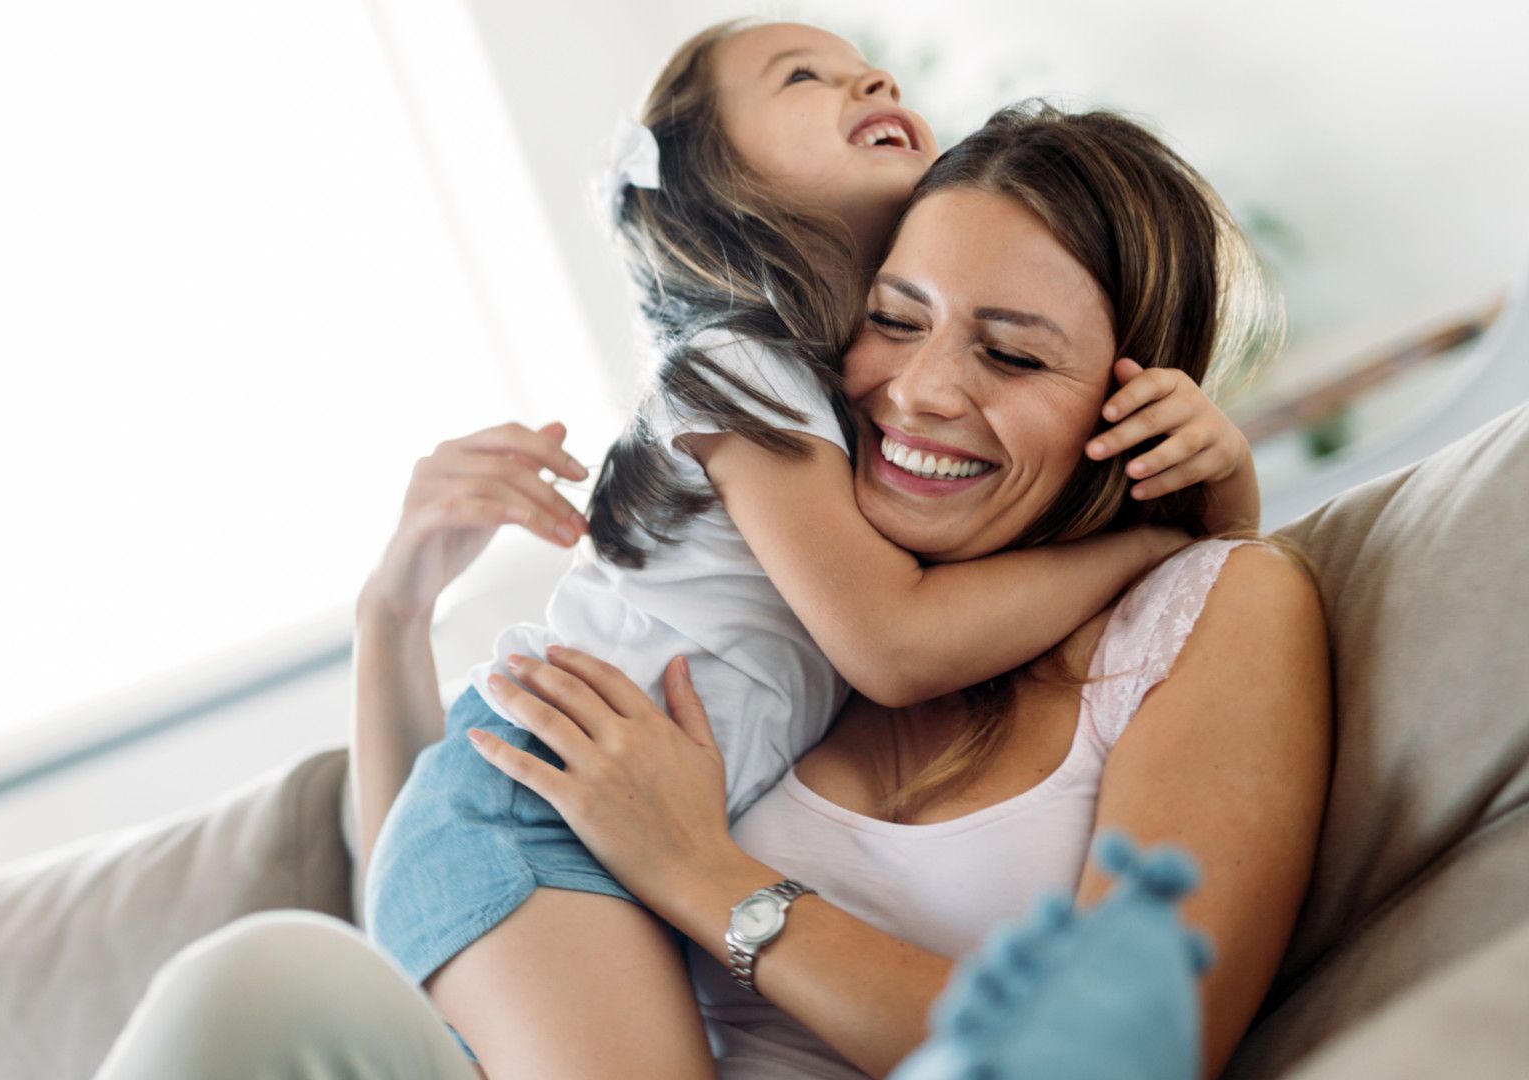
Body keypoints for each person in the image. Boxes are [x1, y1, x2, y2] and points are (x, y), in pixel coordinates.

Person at [94, 100, 1329, 1080]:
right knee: (263, 985)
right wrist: (393, 611)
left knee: (263, 988)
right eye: (893, 319)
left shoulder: (1216, 605)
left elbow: (1122, 1055)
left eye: (1009, 353)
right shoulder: (798, 593)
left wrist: (706, 875)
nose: (919, 391)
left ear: (1142, 400)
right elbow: (446, 891)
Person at [358, 20, 1263, 1076]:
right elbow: (893, 643)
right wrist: (1151, 536)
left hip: (548, 825)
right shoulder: (737, 370)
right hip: (530, 818)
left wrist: (1209, 502)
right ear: (717, 189)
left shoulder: (812, 407)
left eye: (1009, 349)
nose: (872, 76)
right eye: (803, 77)